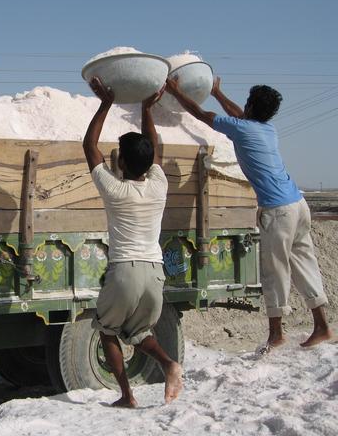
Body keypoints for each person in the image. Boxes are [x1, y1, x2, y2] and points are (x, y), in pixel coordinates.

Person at [165, 76, 333, 350]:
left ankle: (276, 334)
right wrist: (217, 92)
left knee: (274, 271)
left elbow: (201, 114)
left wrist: (175, 90)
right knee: (305, 264)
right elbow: (239, 115)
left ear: (252, 107)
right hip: (299, 205)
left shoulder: (242, 128)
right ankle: (323, 326)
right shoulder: (268, 130)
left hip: (278, 211)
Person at [83, 77, 183, 408]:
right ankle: (169, 364)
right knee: (139, 333)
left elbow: (89, 146)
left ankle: (127, 395)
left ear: (121, 164)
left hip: (124, 270)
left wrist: (106, 102)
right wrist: (146, 108)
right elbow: (151, 146)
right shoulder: (159, 185)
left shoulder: (115, 190)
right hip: (155, 273)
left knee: (109, 330)